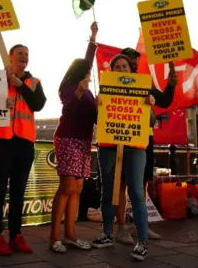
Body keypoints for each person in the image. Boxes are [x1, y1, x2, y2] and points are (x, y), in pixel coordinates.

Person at [92, 54, 175, 261]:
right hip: (109, 146)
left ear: (131, 69)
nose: (121, 69)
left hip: (135, 147)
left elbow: (154, 115)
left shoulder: (143, 88)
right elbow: (97, 120)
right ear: (111, 72)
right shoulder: (104, 90)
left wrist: (149, 105)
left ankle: (142, 242)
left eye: (124, 66)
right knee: (108, 191)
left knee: (137, 192)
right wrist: (98, 106)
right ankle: (106, 234)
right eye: (117, 67)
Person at [0, 44, 47, 255]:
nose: (24, 57)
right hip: (2, 141)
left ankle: (16, 235)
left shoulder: (34, 82)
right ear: (9, 58)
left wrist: (19, 85)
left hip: (24, 143)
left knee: (18, 192)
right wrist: (2, 103)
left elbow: (38, 104)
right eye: (19, 53)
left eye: (26, 54)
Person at [49, 22, 100, 253]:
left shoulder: (88, 90)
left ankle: (71, 235)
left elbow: (88, 60)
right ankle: (54, 238)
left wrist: (93, 38)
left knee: (78, 188)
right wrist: (78, 94)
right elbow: (69, 111)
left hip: (84, 141)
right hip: (68, 138)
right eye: (88, 73)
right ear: (81, 74)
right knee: (67, 187)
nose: (90, 75)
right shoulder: (69, 88)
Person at [115, 47, 174, 242]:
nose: (133, 62)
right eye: (129, 59)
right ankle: (122, 227)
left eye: (135, 60)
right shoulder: (112, 82)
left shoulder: (144, 83)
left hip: (145, 139)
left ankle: (140, 225)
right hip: (122, 138)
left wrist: (171, 83)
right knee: (122, 184)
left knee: (143, 184)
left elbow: (164, 101)